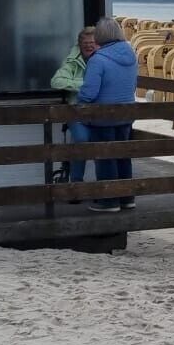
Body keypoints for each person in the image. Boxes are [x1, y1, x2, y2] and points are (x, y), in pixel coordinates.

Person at [77, 17, 139, 212]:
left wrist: (79, 99)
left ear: (101, 36)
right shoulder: (131, 55)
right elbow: (134, 86)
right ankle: (126, 198)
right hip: (126, 114)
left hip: (102, 117)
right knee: (123, 157)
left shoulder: (98, 59)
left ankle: (109, 201)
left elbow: (89, 93)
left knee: (105, 159)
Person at [50, 27, 99, 185]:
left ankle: (104, 186)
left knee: (103, 142)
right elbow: (56, 81)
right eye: (85, 43)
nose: (88, 46)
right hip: (75, 112)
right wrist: (85, 86)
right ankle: (76, 184)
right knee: (81, 140)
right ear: (79, 45)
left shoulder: (102, 60)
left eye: (92, 42)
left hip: (98, 112)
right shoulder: (72, 62)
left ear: (98, 44)